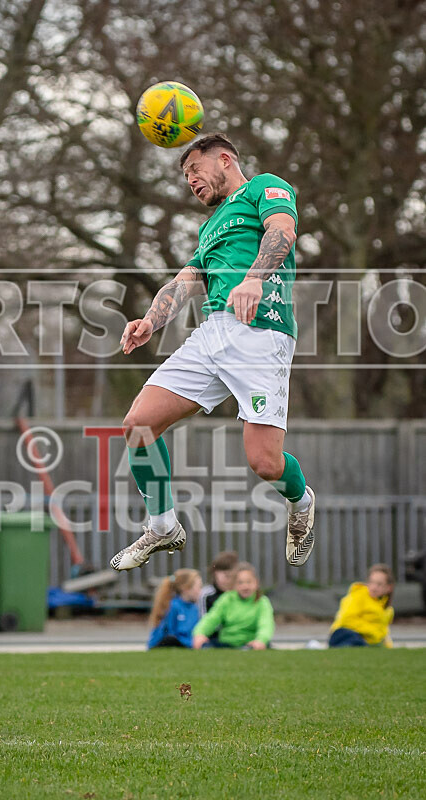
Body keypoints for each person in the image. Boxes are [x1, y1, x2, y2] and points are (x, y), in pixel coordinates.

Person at [110, 132, 315, 573]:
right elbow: (184, 281)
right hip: (213, 333)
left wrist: (254, 277)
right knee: (138, 425)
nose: (191, 181)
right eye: (186, 177)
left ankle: (300, 502)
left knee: (264, 463)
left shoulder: (264, 187)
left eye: (194, 171)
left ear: (224, 159)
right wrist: (150, 320)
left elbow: (283, 232)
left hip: (262, 332)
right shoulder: (209, 226)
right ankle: (163, 526)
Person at [192, 562, 274, 650]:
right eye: (240, 583)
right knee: (207, 646)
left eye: (249, 582)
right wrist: (199, 634)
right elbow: (211, 618)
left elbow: (266, 624)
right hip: (226, 643)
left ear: (256, 583)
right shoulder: (227, 599)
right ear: (234, 584)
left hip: (250, 643)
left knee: (265, 645)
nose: (245, 586)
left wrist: (261, 641)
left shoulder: (262, 602)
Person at [328, 564, 395, 648]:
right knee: (354, 639)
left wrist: (389, 647)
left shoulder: (388, 609)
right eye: (371, 582)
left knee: (373, 646)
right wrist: (372, 631)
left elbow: (383, 631)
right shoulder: (358, 595)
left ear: (389, 588)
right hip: (343, 634)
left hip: (365, 640)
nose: (374, 587)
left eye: (379, 584)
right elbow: (346, 619)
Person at [147, 569, 202, 648]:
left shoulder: (195, 608)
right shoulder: (173, 606)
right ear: (185, 588)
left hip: (185, 644)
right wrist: (191, 644)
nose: (200, 591)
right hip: (166, 644)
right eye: (199, 587)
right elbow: (170, 633)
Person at [198, 550, 239, 617]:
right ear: (215, 574)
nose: (227, 580)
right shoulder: (206, 595)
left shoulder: (239, 592)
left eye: (230, 576)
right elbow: (204, 621)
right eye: (225, 575)